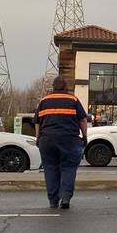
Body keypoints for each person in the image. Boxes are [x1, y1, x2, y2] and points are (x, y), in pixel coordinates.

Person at [35, 76, 88, 209]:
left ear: (53, 87)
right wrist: (85, 136)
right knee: (68, 168)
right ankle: (65, 197)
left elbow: (37, 122)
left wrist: (38, 138)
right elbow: (82, 120)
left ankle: (53, 200)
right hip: (69, 139)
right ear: (65, 87)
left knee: (50, 168)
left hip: (47, 140)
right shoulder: (73, 100)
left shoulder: (44, 101)